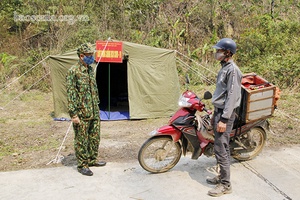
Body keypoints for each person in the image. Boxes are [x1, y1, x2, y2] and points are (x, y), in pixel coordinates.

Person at [207, 38, 242, 197]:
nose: (216, 53)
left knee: (221, 149)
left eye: (219, 51)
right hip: (219, 111)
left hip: (225, 114)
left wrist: (224, 119)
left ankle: (226, 185)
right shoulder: (224, 68)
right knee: (220, 146)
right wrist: (216, 114)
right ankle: (221, 176)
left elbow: (232, 97)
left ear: (227, 53)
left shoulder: (233, 70)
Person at [66, 43, 106, 176]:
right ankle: (82, 165)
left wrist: (97, 107)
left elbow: (93, 91)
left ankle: (92, 159)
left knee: (95, 137)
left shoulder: (89, 69)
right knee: (81, 139)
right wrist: (74, 114)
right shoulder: (73, 71)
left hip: (93, 111)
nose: (92, 57)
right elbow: (71, 94)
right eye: (89, 55)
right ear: (81, 56)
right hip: (81, 113)